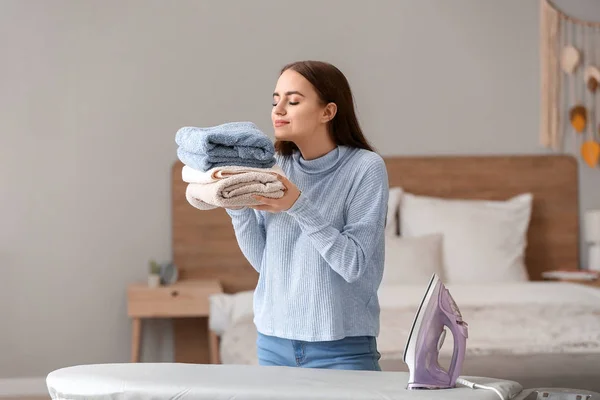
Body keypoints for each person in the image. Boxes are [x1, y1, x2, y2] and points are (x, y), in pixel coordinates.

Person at [226, 60, 389, 371]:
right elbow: (267, 265)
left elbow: (352, 264)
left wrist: (298, 205)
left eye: (293, 100)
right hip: (273, 342)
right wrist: (236, 208)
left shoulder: (365, 168)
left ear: (327, 112)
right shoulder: (272, 166)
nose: (279, 109)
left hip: (342, 347)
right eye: (276, 100)